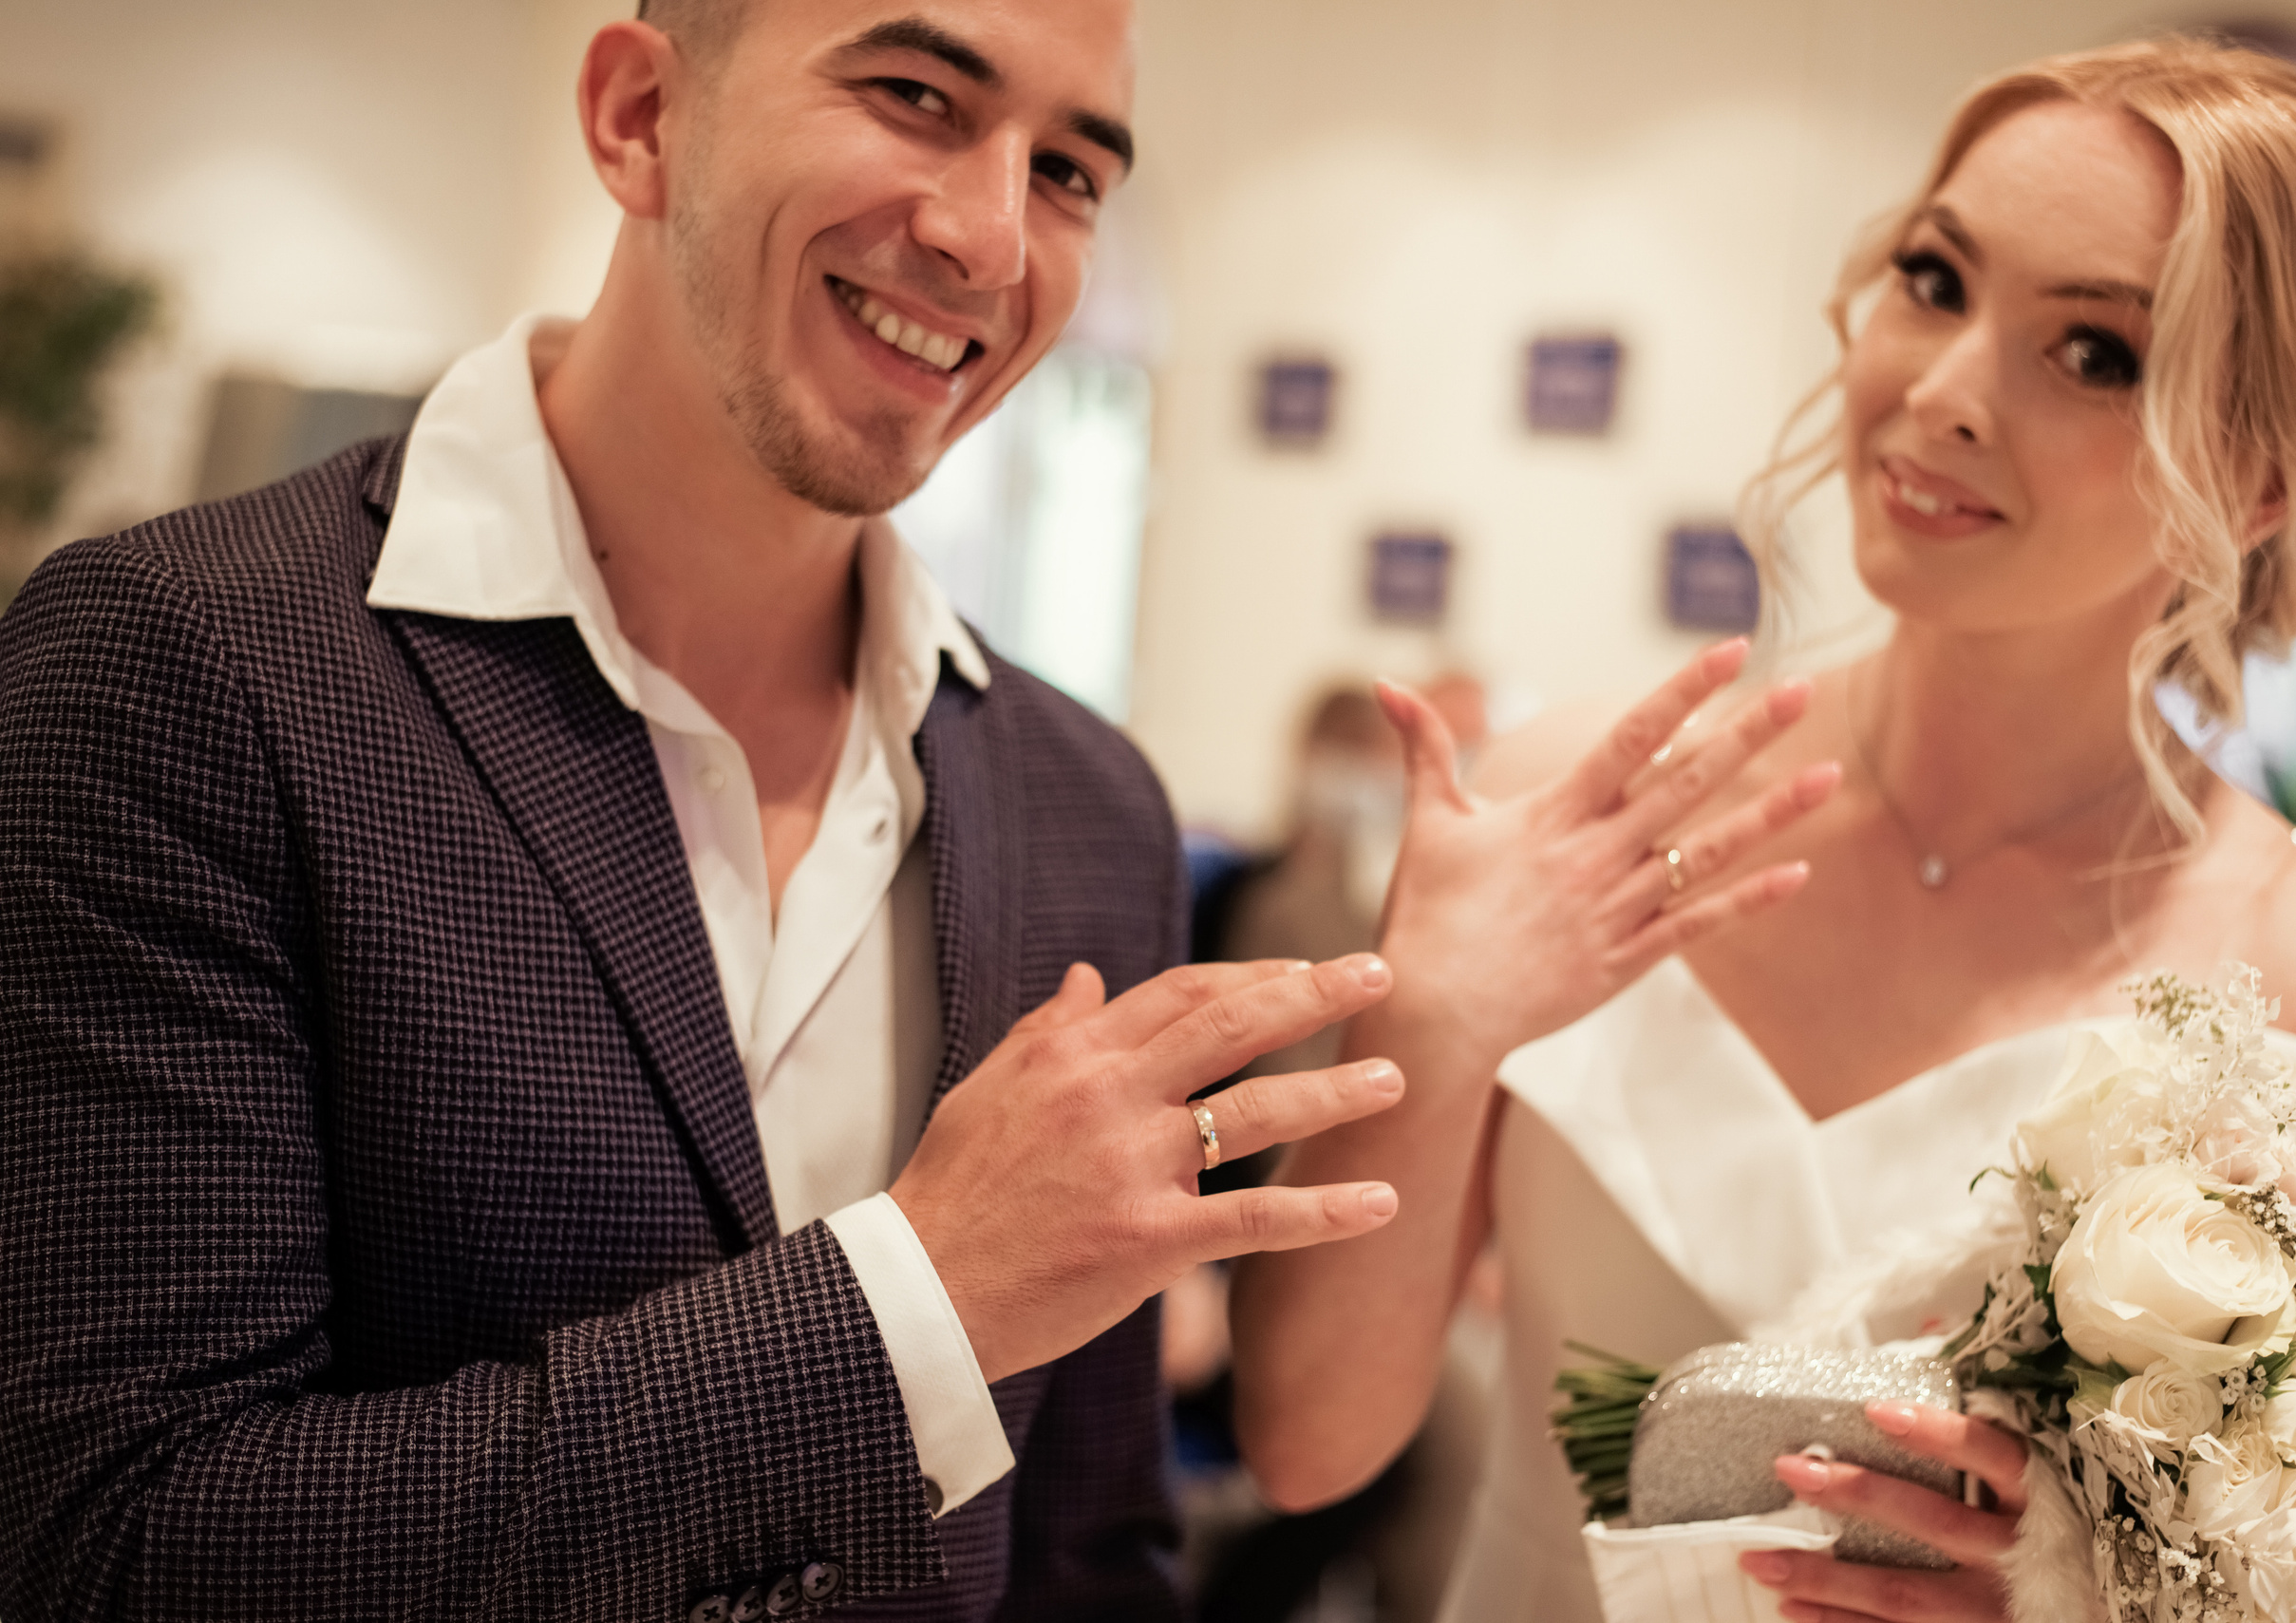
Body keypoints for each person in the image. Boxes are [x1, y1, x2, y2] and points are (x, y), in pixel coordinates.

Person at [0, 3, 1418, 1618]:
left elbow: (1087, 1558)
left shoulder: (1087, 807)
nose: (989, 235)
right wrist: (913, 1298)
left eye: (1073, 171)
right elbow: (109, 1547)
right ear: (638, 115)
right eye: (912, 94)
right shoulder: (183, 666)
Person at [1231, 36, 2296, 1623]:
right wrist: (1438, 1029)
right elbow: (1306, 1448)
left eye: (2094, 355)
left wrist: (2084, 1596)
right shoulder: (1564, 803)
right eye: (1936, 280)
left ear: (2258, 479)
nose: (1939, 396)